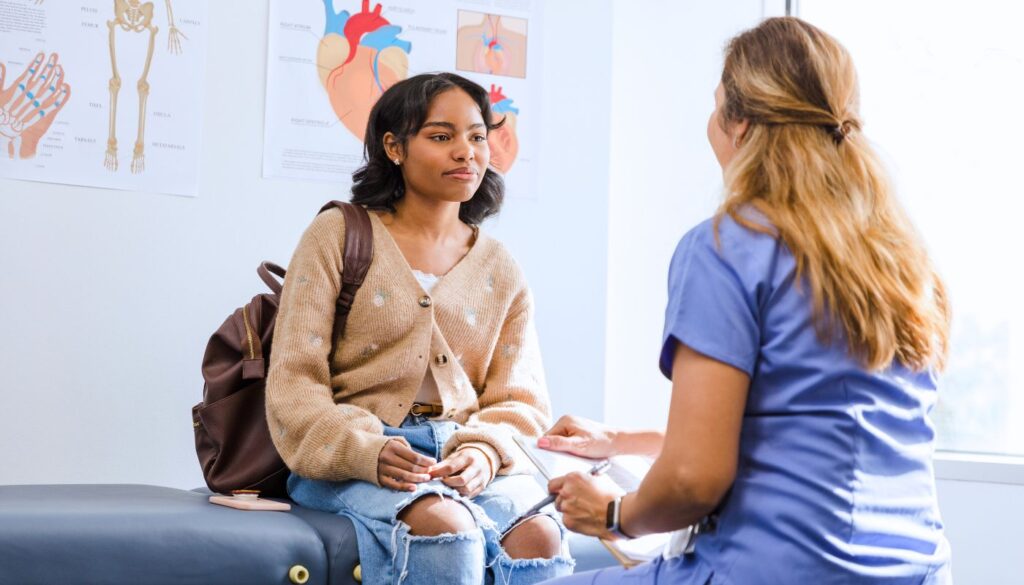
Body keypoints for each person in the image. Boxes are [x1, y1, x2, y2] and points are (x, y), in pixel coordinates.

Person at [538, 17, 952, 585]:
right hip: (919, 571)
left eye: (715, 108)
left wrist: (613, 513)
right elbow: (803, 430)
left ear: (741, 123)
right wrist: (621, 442)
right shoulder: (903, 260)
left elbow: (693, 478)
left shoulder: (724, 247)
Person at [265, 72, 573, 585]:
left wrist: (484, 451)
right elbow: (294, 384)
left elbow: (522, 401)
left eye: (477, 137)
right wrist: (365, 451)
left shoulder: (500, 267)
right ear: (394, 147)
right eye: (440, 136)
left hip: (463, 452)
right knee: (443, 524)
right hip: (353, 454)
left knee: (539, 533)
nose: (466, 152)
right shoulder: (337, 235)